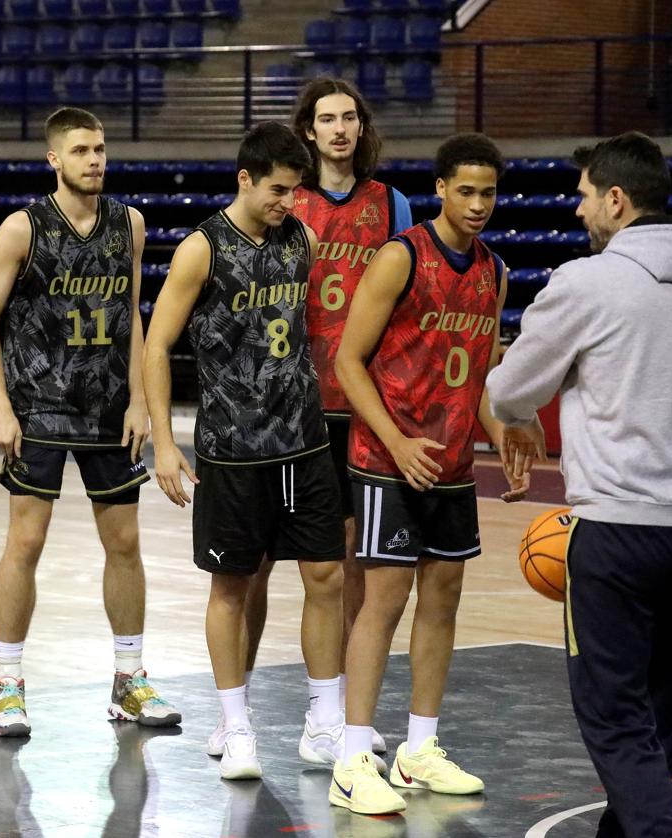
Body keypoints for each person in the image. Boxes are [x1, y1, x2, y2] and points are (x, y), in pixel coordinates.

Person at [488, 131, 672, 838]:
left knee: (613, 716)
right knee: (659, 708)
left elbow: (512, 385)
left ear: (616, 198)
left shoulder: (588, 281)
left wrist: (518, 416)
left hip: (614, 529)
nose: (578, 211)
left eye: (583, 196)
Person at [329, 133, 537, 815]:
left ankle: (420, 748)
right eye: (467, 191)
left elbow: (475, 370)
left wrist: (499, 429)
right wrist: (396, 440)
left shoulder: (494, 271)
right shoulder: (401, 256)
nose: (479, 205)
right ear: (441, 188)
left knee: (442, 603)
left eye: (490, 193)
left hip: (449, 463)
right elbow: (348, 363)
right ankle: (354, 756)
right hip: (389, 461)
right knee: (381, 605)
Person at [143, 121, 345, 780]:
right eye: (279, 190)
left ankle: (325, 722)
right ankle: (235, 724)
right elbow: (154, 346)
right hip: (231, 451)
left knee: (325, 576)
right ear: (245, 179)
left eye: (295, 190)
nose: (289, 202)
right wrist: (165, 446)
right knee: (232, 586)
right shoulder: (202, 249)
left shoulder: (303, 239)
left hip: (302, 445)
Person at [0, 107, 179, 738]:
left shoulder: (131, 223)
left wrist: (142, 399)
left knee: (124, 543)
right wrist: (0, 405)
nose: (96, 159)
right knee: (25, 544)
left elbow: (134, 314)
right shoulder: (22, 228)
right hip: (38, 405)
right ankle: (7, 685)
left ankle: (129, 681)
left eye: (101, 148)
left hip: (110, 407)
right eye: (83, 150)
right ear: (54, 160)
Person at [241, 77, 414, 760]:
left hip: (359, 405)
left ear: (361, 127)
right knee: (253, 562)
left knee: (347, 563)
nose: (340, 129)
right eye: (327, 119)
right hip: (286, 403)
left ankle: (338, 712)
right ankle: (239, 710)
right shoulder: (289, 200)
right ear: (308, 132)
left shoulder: (393, 204)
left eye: (350, 116)